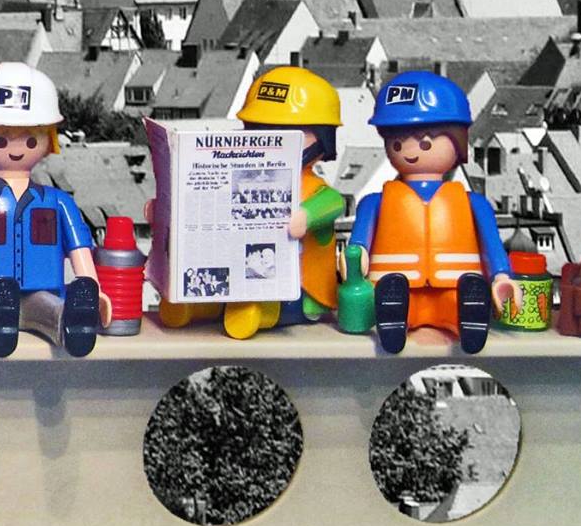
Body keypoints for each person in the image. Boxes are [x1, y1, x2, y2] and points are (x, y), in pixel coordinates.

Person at [156, 65, 346, 340]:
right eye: (259, 131)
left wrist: (306, 215)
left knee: (263, 302)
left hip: (302, 290)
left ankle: (253, 312)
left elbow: (334, 202)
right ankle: (194, 307)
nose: (270, 142)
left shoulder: (314, 188)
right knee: (218, 289)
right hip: (242, 274)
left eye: (288, 134)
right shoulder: (246, 176)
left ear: (324, 137)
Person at [0, 62, 99, 358]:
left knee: (50, 308)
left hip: (42, 289)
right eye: (0, 139)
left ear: (48, 140)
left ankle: (71, 323)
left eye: (30, 138)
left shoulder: (56, 201)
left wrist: (92, 289)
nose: (16, 148)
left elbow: (79, 248)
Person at [350, 70, 513, 355]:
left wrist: (501, 277)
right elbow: (358, 245)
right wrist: (355, 260)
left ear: (457, 141)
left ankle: (468, 314)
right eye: (397, 143)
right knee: (395, 303)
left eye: (426, 143)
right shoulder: (374, 202)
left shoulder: (473, 203)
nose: (410, 151)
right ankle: (394, 317)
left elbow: (492, 246)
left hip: (455, 284)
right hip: (396, 284)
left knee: (457, 306)